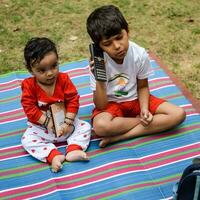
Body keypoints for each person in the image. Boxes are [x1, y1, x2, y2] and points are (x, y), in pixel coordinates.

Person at [86, 5, 186, 148]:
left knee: (179, 114)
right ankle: (143, 124)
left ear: (127, 31)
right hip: (112, 104)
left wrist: (144, 108)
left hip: (137, 100)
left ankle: (121, 136)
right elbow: (101, 105)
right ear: (99, 46)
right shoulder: (98, 63)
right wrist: (99, 80)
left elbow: (143, 85)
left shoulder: (139, 54)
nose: (117, 46)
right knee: (101, 126)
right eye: (107, 44)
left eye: (119, 38)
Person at [21, 37, 91, 172]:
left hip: (66, 125)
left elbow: (72, 100)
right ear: (31, 70)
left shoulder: (63, 79)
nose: (50, 73)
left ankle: (73, 149)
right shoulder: (29, 85)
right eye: (42, 70)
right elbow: (29, 108)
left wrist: (68, 122)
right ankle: (53, 155)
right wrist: (47, 122)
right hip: (42, 128)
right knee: (27, 139)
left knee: (85, 127)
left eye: (54, 66)